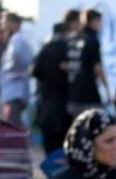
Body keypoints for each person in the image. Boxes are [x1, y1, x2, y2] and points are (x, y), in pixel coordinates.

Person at [32, 13, 73, 155]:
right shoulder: (68, 49)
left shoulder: (45, 50)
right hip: (64, 109)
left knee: (50, 153)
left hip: (46, 107)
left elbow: (35, 72)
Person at [65, 8, 106, 118]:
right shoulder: (92, 40)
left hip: (72, 96)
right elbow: (98, 68)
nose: (101, 25)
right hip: (88, 96)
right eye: (100, 22)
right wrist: (107, 89)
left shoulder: (73, 39)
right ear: (94, 21)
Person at [0, 12, 32, 128]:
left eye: (5, 23)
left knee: (13, 127)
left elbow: (16, 59)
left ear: (15, 24)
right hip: (12, 93)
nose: (2, 27)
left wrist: (12, 71)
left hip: (14, 93)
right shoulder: (13, 41)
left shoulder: (17, 40)